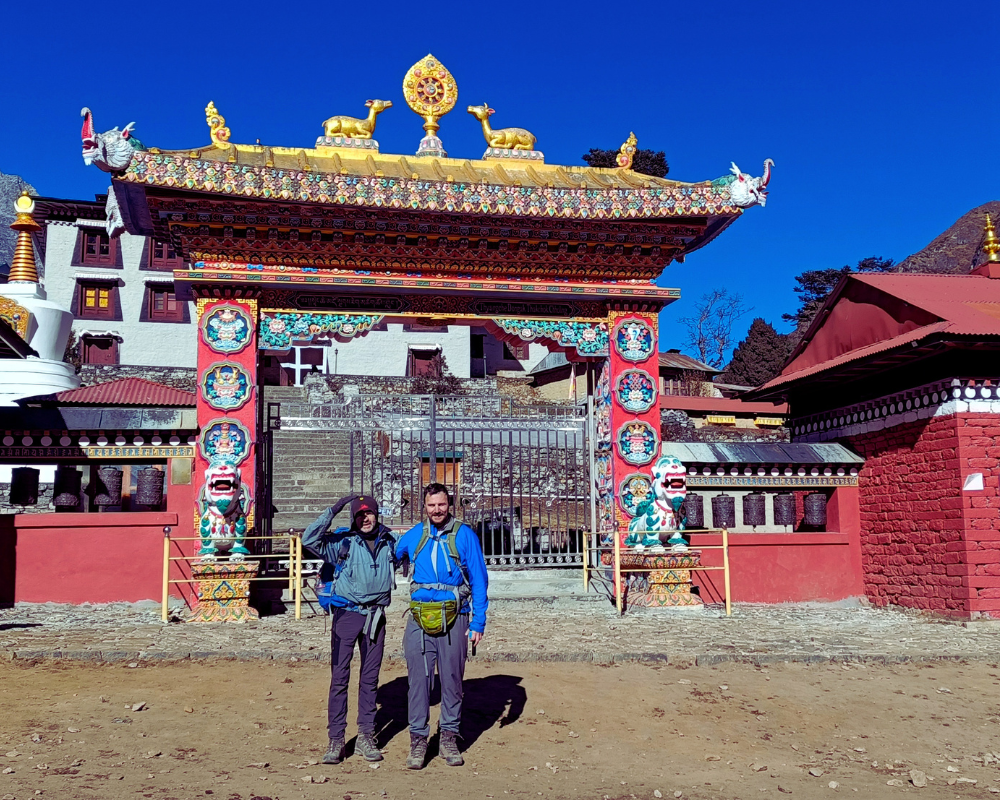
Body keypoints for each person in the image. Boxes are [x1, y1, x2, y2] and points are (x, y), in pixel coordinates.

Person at [394, 483, 489, 769]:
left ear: (450, 505)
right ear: (424, 505)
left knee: (451, 680)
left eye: (442, 505)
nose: (437, 510)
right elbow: (388, 555)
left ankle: (448, 736)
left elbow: (479, 580)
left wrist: (478, 621)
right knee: (419, 682)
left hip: (455, 617)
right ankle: (418, 740)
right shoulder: (414, 536)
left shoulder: (465, 536)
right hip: (420, 619)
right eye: (431, 505)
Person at [301, 494, 397, 765]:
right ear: (353, 518)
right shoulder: (341, 543)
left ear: (377, 515)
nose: (365, 519)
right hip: (347, 616)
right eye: (359, 514)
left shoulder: (389, 542)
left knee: (370, 679)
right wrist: (333, 509)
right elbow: (309, 539)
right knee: (340, 678)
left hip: (375, 616)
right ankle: (336, 739)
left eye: (369, 513)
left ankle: (366, 736)